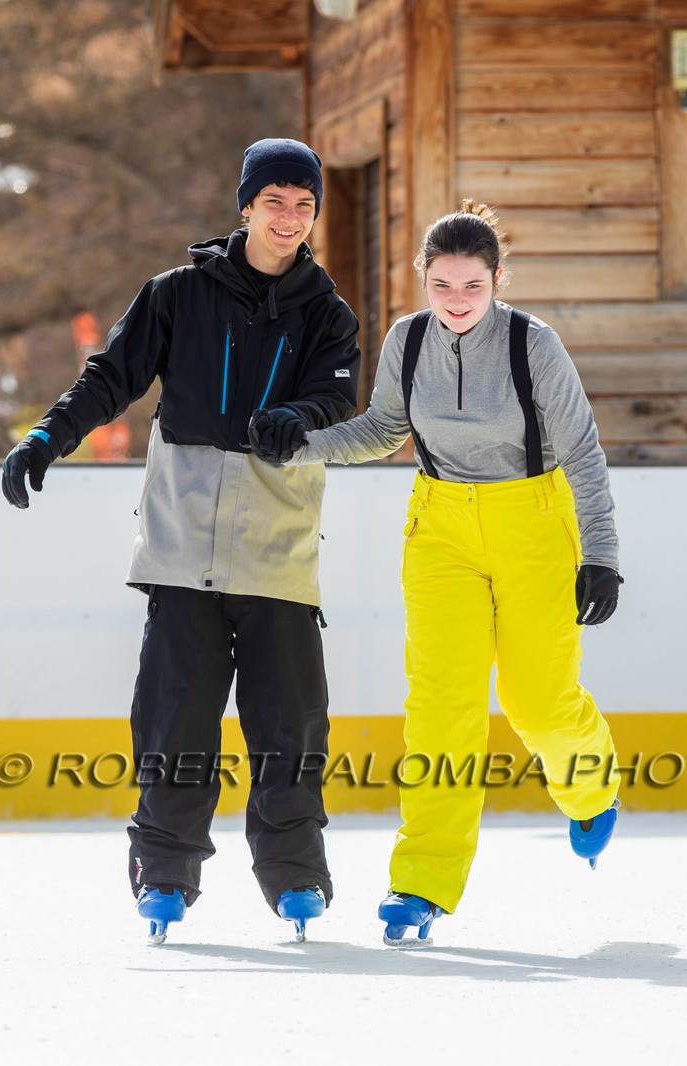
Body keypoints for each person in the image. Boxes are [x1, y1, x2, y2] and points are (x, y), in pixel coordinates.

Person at [0, 138, 361, 943]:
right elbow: (109, 379)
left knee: (292, 724)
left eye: (304, 204)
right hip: (181, 547)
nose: (289, 217)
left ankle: (296, 874)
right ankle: (164, 873)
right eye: (275, 200)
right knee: (174, 722)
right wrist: (45, 438)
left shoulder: (329, 316)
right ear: (245, 205)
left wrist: (299, 417)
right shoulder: (177, 295)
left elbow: (340, 400)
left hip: (277, 551)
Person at [248, 201, 624, 947]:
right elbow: (383, 431)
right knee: (442, 707)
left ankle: (590, 782)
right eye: (443, 284)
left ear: (497, 281)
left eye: (472, 287)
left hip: (533, 522)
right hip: (440, 529)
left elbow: (582, 450)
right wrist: (300, 444)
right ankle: (420, 881)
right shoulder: (408, 341)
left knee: (538, 701)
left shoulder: (533, 345)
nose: (456, 301)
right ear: (422, 277)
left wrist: (602, 556)